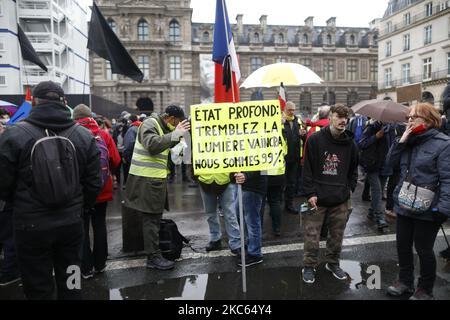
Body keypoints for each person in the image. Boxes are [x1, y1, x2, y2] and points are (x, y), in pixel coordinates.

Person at [0, 81, 103, 299]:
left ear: (34, 102)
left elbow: (3, 184)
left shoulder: (13, 135)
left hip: (30, 227)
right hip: (71, 226)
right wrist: (79, 206)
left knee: (38, 286)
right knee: (72, 281)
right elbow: (95, 183)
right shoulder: (84, 136)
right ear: (64, 102)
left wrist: (19, 204)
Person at [386, 103, 450, 300]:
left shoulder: (444, 143)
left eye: (415, 117)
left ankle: (425, 289)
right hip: (404, 201)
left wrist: (444, 208)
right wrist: (401, 141)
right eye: (409, 117)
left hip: (429, 207)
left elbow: (448, 178)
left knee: (423, 249)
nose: (410, 120)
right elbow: (388, 165)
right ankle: (405, 282)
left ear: (429, 121)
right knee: (402, 245)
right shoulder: (407, 140)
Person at [124, 105, 190, 270]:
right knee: (151, 220)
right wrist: (175, 135)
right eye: (177, 123)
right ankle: (153, 257)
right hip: (146, 181)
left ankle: (154, 253)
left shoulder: (161, 126)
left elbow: (164, 152)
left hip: (153, 181)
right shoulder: (150, 123)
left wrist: (177, 148)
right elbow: (152, 145)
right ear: (171, 118)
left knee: (153, 218)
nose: (177, 127)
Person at [301, 104, 358, 284]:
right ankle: (309, 266)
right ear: (331, 117)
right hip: (317, 197)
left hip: (340, 198)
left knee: (337, 235)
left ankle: (332, 263)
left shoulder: (350, 143)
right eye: (339, 116)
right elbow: (307, 168)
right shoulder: (316, 139)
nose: (342, 120)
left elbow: (353, 169)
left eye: (345, 117)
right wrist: (310, 192)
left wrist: (348, 189)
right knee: (312, 235)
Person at [72, 104, 121, 279]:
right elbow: (115, 160)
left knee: (82, 229)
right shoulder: (104, 135)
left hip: (80, 192)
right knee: (100, 225)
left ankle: (86, 268)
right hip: (102, 189)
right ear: (91, 118)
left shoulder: (71, 135)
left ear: (75, 119)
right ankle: (100, 263)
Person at [282, 101, 301, 213]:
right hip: (282, 158)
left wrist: (302, 135)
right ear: (285, 109)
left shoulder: (297, 121)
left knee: (292, 183)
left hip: (294, 158)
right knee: (281, 184)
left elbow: (302, 138)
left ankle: (289, 205)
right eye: (290, 110)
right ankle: (276, 205)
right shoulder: (280, 120)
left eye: (293, 110)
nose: (292, 112)